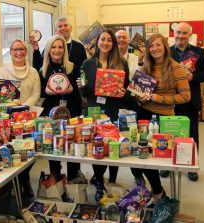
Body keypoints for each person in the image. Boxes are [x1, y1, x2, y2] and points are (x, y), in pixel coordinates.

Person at [136, 33, 190, 201]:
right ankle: (158, 190)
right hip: (144, 116)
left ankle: (158, 192)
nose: (155, 49)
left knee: (160, 157)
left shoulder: (176, 68)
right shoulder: (145, 66)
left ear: (165, 47)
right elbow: (137, 92)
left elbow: (185, 96)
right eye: (151, 46)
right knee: (143, 155)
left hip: (164, 118)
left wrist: (158, 98)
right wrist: (140, 97)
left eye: (158, 45)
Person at [77, 29, 130, 202]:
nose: (105, 43)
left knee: (114, 143)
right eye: (102, 39)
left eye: (109, 40)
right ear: (97, 42)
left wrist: (123, 93)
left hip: (115, 107)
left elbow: (127, 89)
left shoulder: (121, 63)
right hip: (94, 108)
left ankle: (112, 180)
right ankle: (99, 179)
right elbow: (85, 93)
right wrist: (81, 86)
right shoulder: (88, 63)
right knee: (98, 143)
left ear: (113, 44)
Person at [161, 22, 204, 182]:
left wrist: (193, 77)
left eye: (184, 33)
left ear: (189, 35)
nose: (180, 36)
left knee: (191, 135)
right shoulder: (166, 52)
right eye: (178, 32)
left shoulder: (199, 52)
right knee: (168, 134)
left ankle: (191, 166)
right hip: (170, 100)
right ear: (173, 34)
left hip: (190, 100)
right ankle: (166, 165)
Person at [0, 39, 41, 197]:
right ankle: (15, 182)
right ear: (11, 52)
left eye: (21, 49)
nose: (18, 52)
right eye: (15, 49)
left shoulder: (34, 72)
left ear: (26, 51)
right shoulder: (3, 71)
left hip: (27, 118)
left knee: (29, 151)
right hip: (9, 118)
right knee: (13, 150)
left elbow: (36, 93)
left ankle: (25, 178)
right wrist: (13, 107)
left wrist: (24, 108)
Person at [39, 35, 82, 181]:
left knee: (73, 143)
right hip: (51, 112)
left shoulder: (73, 67)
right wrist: (46, 92)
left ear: (64, 49)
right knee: (53, 144)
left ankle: (73, 177)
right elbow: (38, 93)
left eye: (60, 47)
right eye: (53, 47)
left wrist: (72, 90)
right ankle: (55, 177)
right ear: (48, 49)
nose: (57, 50)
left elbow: (81, 91)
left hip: (72, 111)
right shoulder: (43, 70)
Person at [115, 30, 146, 186]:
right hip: (115, 101)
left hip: (131, 101)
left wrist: (140, 63)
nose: (121, 39)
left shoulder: (135, 58)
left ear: (129, 40)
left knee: (134, 137)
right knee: (114, 137)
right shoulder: (109, 58)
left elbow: (140, 80)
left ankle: (137, 173)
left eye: (124, 37)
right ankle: (111, 179)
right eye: (118, 37)